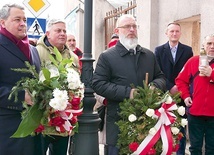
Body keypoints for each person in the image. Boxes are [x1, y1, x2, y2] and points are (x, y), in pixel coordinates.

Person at [92, 14, 166, 155]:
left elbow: (161, 77)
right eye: (127, 26)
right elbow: (98, 84)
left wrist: (155, 87)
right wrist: (128, 93)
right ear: (117, 31)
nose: (131, 29)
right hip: (119, 121)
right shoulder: (107, 56)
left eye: (134, 26)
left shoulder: (149, 55)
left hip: (147, 121)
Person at [0, 3, 42, 155]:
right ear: (2, 22)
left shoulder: (33, 50)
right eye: (17, 19)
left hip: (34, 129)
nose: (23, 23)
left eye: (24, 19)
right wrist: (21, 96)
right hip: (7, 129)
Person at [36, 18, 80, 155]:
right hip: (43, 119)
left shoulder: (73, 57)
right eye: (58, 30)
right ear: (48, 33)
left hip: (63, 121)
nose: (62, 34)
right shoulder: (36, 52)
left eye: (64, 31)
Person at [155, 22, 193, 155]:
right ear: (167, 33)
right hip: (165, 93)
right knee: (164, 126)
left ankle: (180, 152)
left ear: (180, 33)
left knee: (181, 127)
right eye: (171, 31)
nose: (174, 33)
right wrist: (170, 86)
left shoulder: (187, 50)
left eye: (177, 31)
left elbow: (189, 72)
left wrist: (180, 87)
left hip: (181, 94)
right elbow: (158, 71)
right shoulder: (159, 50)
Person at [175, 34, 214, 155]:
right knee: (195, 148)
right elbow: (180, 80)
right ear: (203, 45)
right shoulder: (193, 61)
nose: (212, 47)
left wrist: (212, 74)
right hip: (195, 113)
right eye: (209, 44)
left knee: (212, 148)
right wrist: (186, 96)